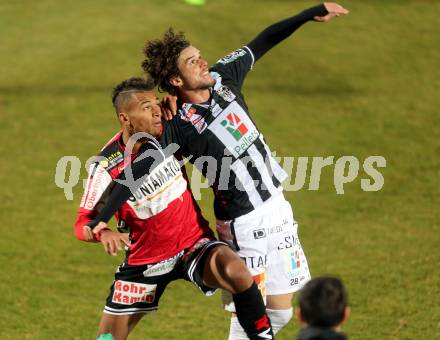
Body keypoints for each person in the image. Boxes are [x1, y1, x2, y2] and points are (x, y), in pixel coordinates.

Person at [141, 2, 349, 338]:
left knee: (279, 313)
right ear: (176, 80)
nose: (203, 61)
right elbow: (144, 156)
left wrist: (311, 12)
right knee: (250, 313)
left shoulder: (225, 77)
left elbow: (263, 40)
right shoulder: (177, 126)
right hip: (244, 223)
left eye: (199, 55)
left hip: (277, 207)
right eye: (192, 61)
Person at [74, 77, 275, 340]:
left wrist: (178, 102)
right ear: (125, 118)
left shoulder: (168, 132)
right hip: (146, 263)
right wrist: (104, 233)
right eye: (146, 107)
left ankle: (263, 337)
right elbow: (82, 224)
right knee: (107, 339)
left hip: (193, 245)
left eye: (156, 103)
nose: (156, 110)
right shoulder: (104, 167)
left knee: (237, 272)